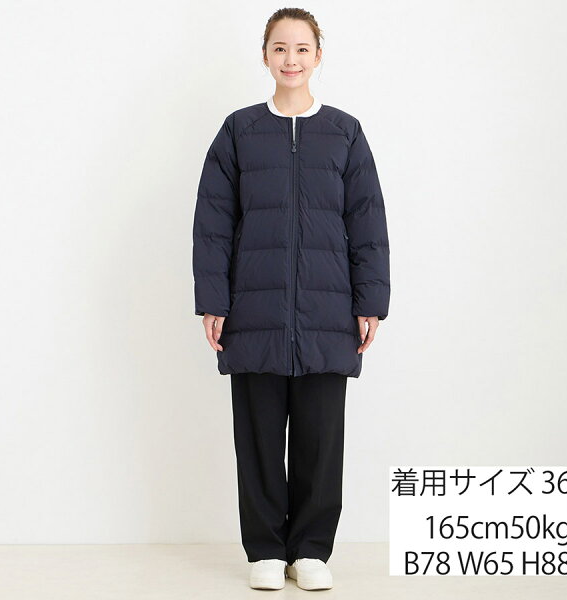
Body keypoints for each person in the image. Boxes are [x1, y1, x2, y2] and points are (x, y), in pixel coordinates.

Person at [192, 8, 390, 591]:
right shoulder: (239, 131)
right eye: (280, 48)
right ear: (265, 56)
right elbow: (213, 222)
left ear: (318, 56)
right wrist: (213, 299)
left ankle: (310, 551)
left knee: (320, 440)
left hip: (328, 314)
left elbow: (367, 222)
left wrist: (370, 301)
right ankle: (264, 551)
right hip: (254, 312)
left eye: (302, 48)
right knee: (257, 437)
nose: (291, 59)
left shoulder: (345, 132)